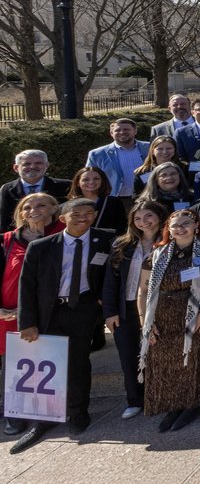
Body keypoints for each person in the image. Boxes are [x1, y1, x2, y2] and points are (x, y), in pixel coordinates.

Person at [12, 198, 114, 453]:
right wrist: (27, 322)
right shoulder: (41, 246)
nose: (83, 218)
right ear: (62, 218)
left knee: (78, 363)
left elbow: (113, 273)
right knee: (45, 365)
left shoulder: (106, 239)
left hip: (82, 311)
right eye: (76, 214)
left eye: (89, 213)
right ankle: (43, 419)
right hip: (50, 312)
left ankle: (78, 412)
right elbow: (27, 286)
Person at [137, 208, 200, 432]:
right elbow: (143, 290)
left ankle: (192, 403)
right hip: (163, 314)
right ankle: (173, 405)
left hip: (197, 312)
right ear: (168, 228)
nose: (180, 228)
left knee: (193, 359)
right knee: (167, 362)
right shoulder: (157, 253)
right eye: (175, 225)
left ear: (196, 226)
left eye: (185, 223)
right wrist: (145, 321)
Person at [0, 193, 63, 437]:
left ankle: (47, 411)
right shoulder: (7, 240)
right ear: (20, 213)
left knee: (46, 360)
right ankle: (14, 414)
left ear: (54, 208)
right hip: (8, 314)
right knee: (12, 365)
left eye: (41, 205)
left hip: (50, 312)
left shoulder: (64, 235)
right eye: (27, 207)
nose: (33, 210)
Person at [101, 200, 164, 422]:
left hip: (158, 308)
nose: (143, 222)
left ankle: (161, 396)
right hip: (125, 309)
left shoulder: (169, 242)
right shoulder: (122, 244)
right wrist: (110, 312)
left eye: (148, 216)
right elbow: (110, 281)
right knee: (129, 356)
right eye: (137, 218)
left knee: (158, 354)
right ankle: (135, 400)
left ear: (159, 216)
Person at [0, 150, 69, 233]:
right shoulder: (6, 189)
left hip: (57, 235)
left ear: (47, 165)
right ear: (16, 168)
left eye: (38, 163)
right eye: (26, 164)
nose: (32, 166)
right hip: (20, 237)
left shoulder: (65, 186)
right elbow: (4, 218)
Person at [84, 118, 150, 201]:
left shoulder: (150, 148)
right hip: (114, 199)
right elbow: (89, 177)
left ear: (135, 131)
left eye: (126, 129)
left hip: (146, 197)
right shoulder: (97, 154)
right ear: (111, 133)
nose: (122, 132)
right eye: (117, 130)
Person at [67, 166, 128, 234]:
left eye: (96, 179)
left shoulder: (114, 202)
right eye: (86, 179)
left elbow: (122, 227)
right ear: (78, 182)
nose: (91, 182)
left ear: (102, 181)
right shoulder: (69, 204)